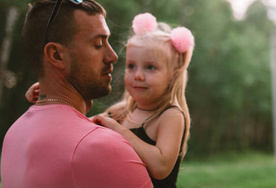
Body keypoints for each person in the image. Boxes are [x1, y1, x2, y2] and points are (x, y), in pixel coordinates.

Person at [1, 0, 153, 188]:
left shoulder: (13, 135)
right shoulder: (102, 147)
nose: (113, 56)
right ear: (56, 55)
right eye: (98, 44)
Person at [25, 12, 195, 188]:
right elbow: (78, 127)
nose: (137, 75)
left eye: (150, 67)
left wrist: (117, 128)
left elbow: (161, 167)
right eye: (131, 66)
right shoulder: (123, 110)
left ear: (173, 75)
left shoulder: (170, 115)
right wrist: (51, 92)